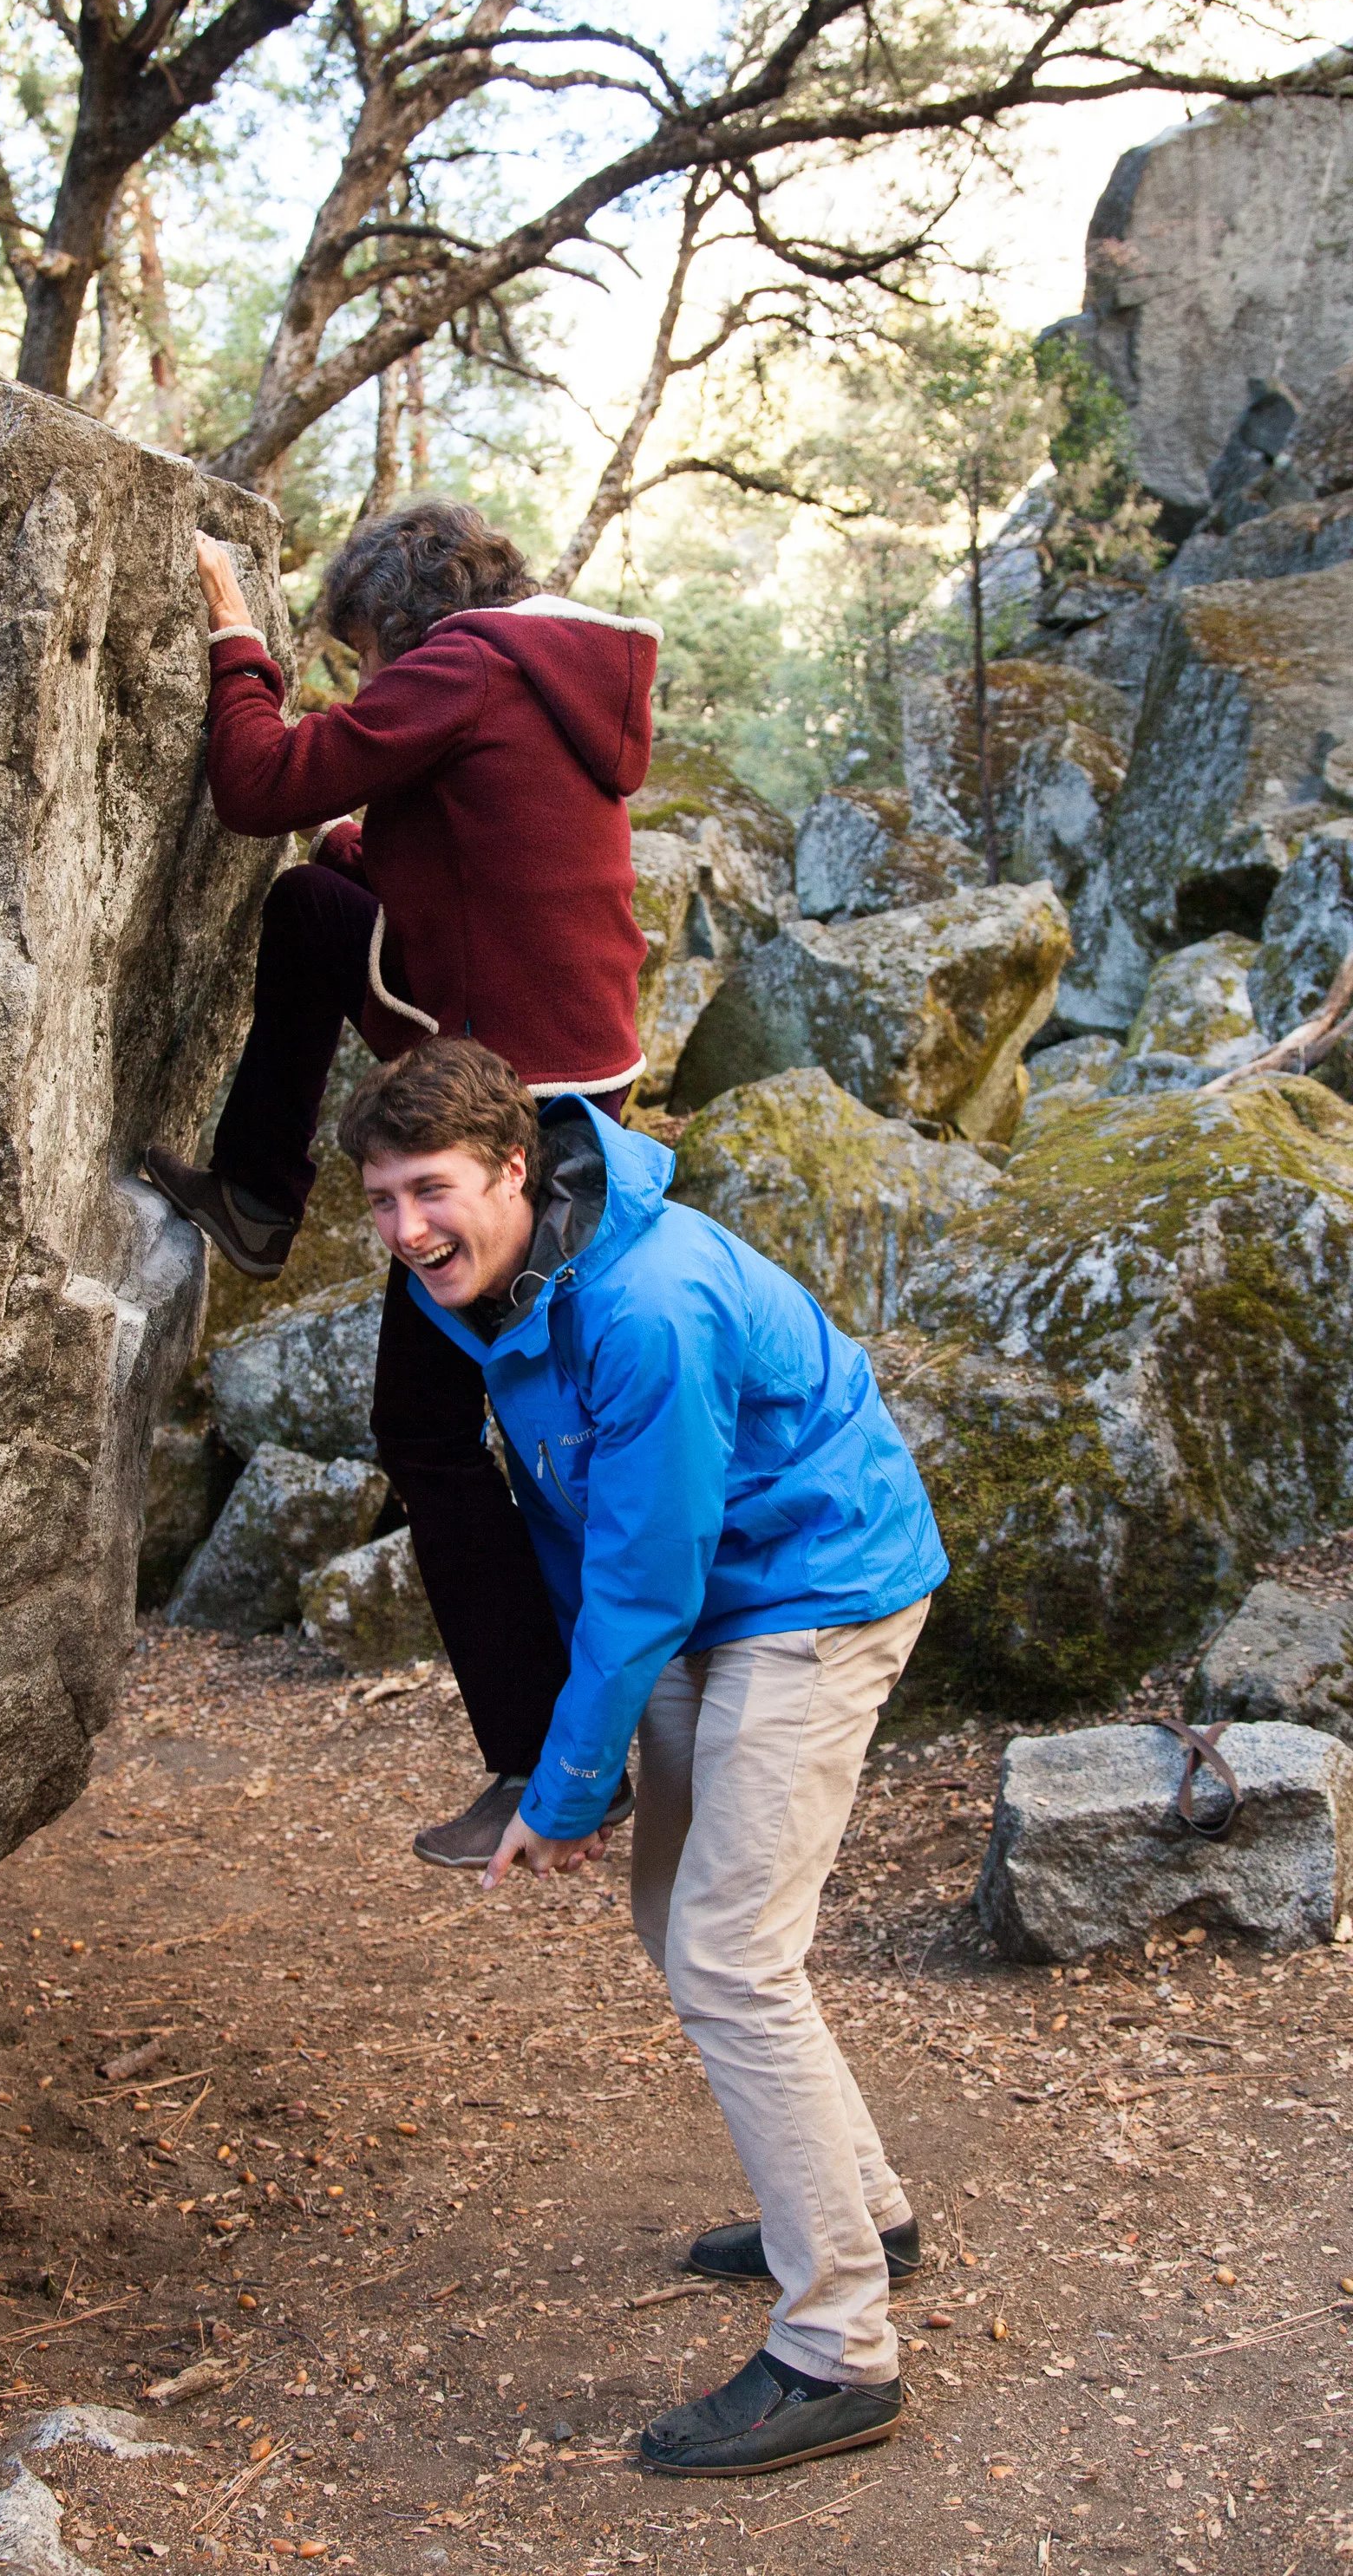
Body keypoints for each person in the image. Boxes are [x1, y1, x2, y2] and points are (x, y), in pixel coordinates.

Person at [331, 1035, 950, 2480]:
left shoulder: (645, 1303)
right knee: (684, 1922)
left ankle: (838, 2346)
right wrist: (577, 1758)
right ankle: (866, 2207)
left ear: (513, 1167)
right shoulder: (505, 1281)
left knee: (732, 1953)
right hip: (711, 1595)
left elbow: (647, 1577)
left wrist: (559, 1790)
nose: (407, 1230)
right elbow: (574, 1524)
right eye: (379, 1200)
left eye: (430, 1190)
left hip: (813, 1590)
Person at [145, 502, 661, 1866]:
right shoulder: (554, 678)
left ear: (407, 620)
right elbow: (480, 853)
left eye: (366, 652)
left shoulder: (466, 665)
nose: (369, 680)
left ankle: (550, 1761)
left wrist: (234, 630)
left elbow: (257, 782)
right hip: (578, 1084)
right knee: (321, 904)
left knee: (428, 1430)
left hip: (513, 1120)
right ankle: (257, 1199)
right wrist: (364, 856)